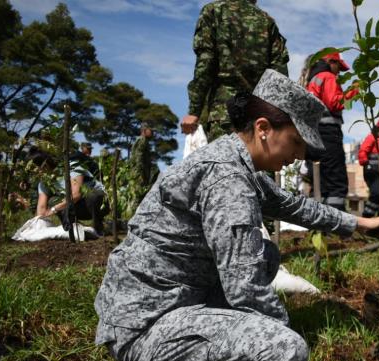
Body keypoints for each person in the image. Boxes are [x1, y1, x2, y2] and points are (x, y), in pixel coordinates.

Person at [94, 70, 379, 361]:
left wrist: (359, 223)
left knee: (266, 254)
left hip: (169, 300)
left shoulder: (237, 160)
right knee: (287, 354)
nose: (298, 156)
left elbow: (293, 206)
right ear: (263, 129)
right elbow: (244, 285)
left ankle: (219, 341)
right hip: (145, 324)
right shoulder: (227, 178)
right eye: (296, 142)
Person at [181, 0, 289, 141]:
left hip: (224, 113)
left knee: (225, 162)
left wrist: (194, 111)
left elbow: (206, 62)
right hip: (258, 119)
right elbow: (279, 73)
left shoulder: (214, 11)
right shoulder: (267, 21)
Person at [305, 51, 359, 211]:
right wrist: (354, 90)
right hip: (328, 133)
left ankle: (318, 223)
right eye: (338, 67)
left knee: (319, 180)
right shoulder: (328, 77)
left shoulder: (313, 79)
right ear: (331, 61)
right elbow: (334, 103)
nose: (339, 72)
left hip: (312, 134)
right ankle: (336, 226)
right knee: (336, 179)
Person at [37, 142, 107, 236]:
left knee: (92, 195)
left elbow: (76, 194)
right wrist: (37, 224)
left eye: (36, 169)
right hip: (76, 206)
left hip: (99, 203)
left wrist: (54, 209)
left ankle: (98, 227)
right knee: (53, 200)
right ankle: (74, 228)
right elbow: (41, 210)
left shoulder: (73, 166)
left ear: (44, 166)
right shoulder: (44, 183)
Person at [128, 126, 159, 212]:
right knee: (138, 194)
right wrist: (140, 174)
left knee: (138, 193)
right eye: (150, 130)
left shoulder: (142, 140)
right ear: (144, 131)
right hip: (139, 173)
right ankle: (135, 214)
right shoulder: (143, 140)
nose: (152, 132)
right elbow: (139, 156)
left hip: (139, 172)